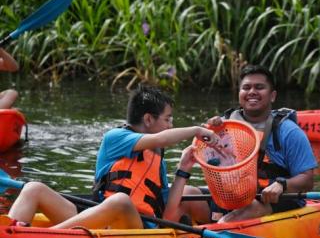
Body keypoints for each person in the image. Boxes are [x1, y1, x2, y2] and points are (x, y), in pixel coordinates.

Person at [7, 85, 219, 229]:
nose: (170, 125)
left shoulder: (156, 160)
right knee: (33, 188)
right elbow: (163, 138)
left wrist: (183, 169)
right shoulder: (116, 137)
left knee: (121, 201)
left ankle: (48, 235)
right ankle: (10, 234)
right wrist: (196, 130)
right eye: (167, 119)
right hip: (99, 217)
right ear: (148, 119)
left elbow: (168, 213)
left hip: (133, 226)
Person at [190, 65, 317, 223]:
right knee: (186, 192)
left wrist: (282, 184)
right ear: (239, 94)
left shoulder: (290, 132)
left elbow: (307, 180)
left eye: (259, 87)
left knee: (237, 216)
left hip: (273, 199)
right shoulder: (222, 126)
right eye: (246, 87)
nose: (252, 92)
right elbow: (206, 159)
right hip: (232, 197)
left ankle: (221, 227)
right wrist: (208, 134)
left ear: (272, 96)